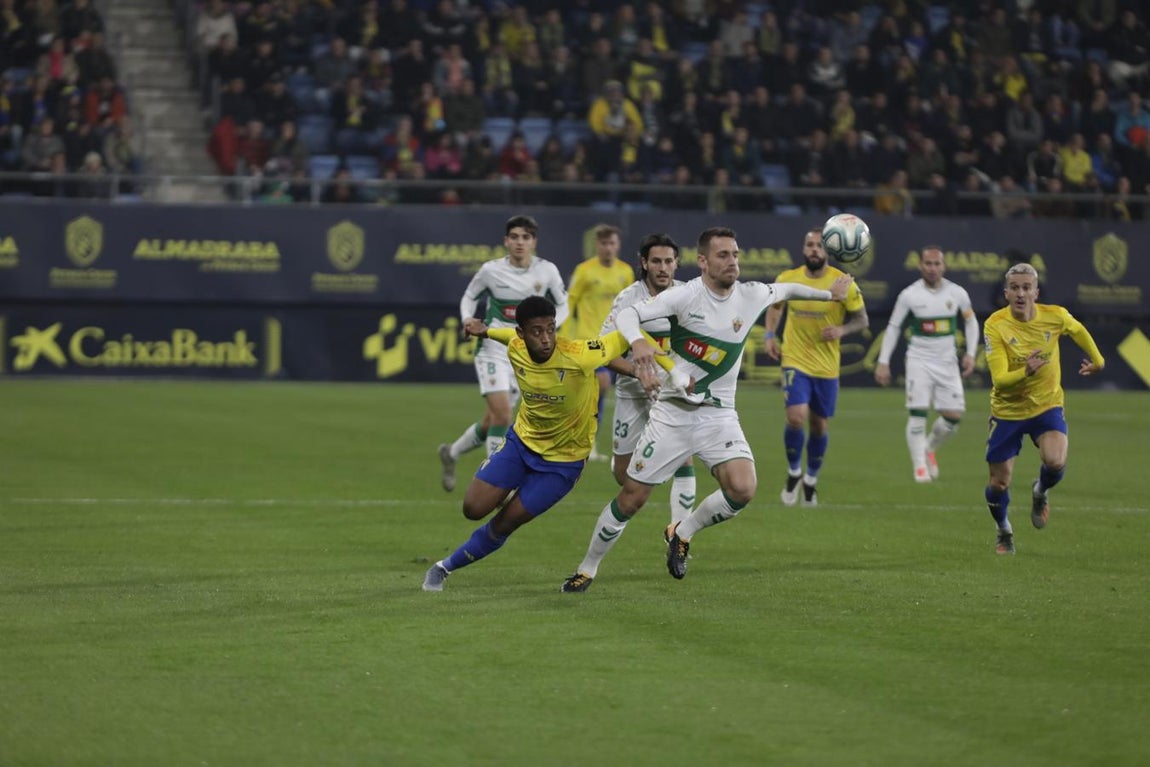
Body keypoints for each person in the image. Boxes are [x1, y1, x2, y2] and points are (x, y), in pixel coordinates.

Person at [560, 227, 853, 590]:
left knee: (743, 489)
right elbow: (627, 316)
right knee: (631, 497)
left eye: (735, 255)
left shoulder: (751, 294)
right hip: (673, 413)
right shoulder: (684, 296)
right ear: (703, 261)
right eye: (723, 255)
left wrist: (829, 294)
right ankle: (587, 568)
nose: (732, 262)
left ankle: (682, 531)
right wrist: (637, 342)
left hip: (719, 414)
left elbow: (788, 290)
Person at [422, 296, 677, 592]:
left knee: (506, 522)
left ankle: (443, 568)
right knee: (472, 508)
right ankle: (507, 486)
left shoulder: (580, 354)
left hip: (562, 464)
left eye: (550, 329)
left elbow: (629, 332)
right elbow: (505, 335)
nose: (545, 338)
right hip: (521, 444)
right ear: (522, 333)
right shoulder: (516, 346)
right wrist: (485, 331)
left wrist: (670, 369)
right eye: (536, 331)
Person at [437, 215, 569, 491]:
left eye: (526, 237)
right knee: (503, 414)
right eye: (515, 237)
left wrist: (549, 328)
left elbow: (564, 304)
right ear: (506, 241)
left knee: (493, 420)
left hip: (524, 353)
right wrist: (467, 319)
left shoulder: (547, 271)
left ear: (534, 242)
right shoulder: (490, 270)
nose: (520, 242)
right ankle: (495, 482)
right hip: (493, 347)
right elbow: (469, 296)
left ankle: (451, 453)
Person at [982, 263, 1105, 555]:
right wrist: (1025, 371)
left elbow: (1077, 330)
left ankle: (1040, 491)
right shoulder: (995, 325)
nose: (1021, 293)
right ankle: (1004, 530)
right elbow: (1000, 380)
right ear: (1006, 293)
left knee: (1055, 461)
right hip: (1008, 411)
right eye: (1015, 288)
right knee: (999, 482)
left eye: (1026, 288)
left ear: (1036, 292)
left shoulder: (1055, 316)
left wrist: (1098, 360)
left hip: (1046, 405)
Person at [764, 227, 868, 506]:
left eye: (819, 245)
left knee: (819, 425)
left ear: (828, 250)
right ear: (803, 249)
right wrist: (770, 335)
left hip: (826, 365)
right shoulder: (788, 279)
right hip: (794, 358)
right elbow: (775, 307)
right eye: (809, 245)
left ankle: (810, 479)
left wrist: (842, 330)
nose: (813, 250)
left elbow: (862, 320)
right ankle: (793, 472)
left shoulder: (843, 282)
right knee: (796, 417)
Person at [874, 247, 980, 482]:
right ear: (920, 266)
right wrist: (883, 361)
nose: (932, 268)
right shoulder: (909, 295)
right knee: (918, 412)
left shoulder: (957, 293)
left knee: (953, 416)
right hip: (918, 360)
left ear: (944, 266)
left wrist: (971, 353)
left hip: (948, 362)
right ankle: (920, 469)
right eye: (928, 264)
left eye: (937, 264)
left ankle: (929, 448)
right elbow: (893, 327)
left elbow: (971, 322)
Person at [564, 224, 635, 461]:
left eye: (611, 243)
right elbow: (570, 302)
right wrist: (565, 334)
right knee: (602, 383)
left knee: (596, 394)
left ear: (618, 245)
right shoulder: (584, 271)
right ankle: (585, 441)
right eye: (604, 243)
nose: (608, 248)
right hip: (588, 339)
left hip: (615, 340)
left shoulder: (625, 272)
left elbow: (631, 305)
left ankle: (586, 441)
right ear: (597, 245)